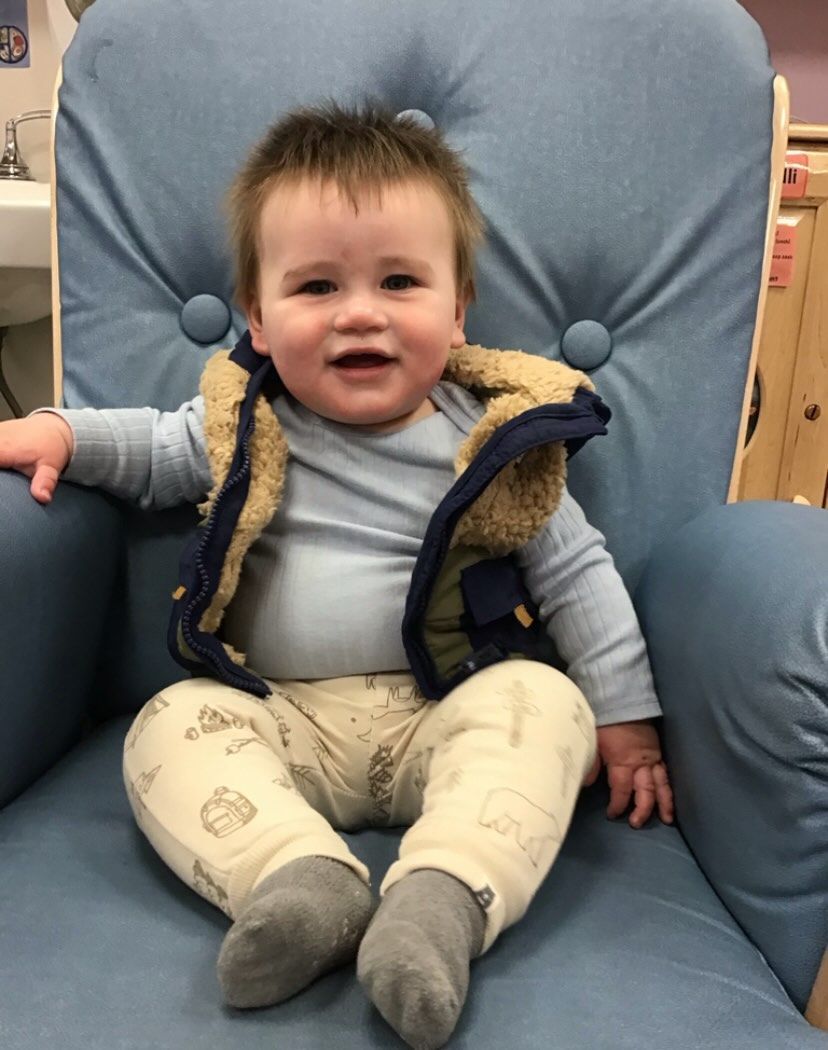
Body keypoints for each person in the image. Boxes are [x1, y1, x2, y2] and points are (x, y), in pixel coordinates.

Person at [0, 100, 673, 1050]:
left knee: (545, 703)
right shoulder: (246, 425)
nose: (360, 311)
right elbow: (149, 449)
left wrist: (626, 719)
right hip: (284, 719)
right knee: (168, 723)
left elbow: (576, 574)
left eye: (399, 280)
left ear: (457, 308)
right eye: (316, 286)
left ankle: (444, 897)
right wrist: (59, 433)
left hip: (446, 711)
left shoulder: (496, 445)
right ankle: (296, 880)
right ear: (259, 318)